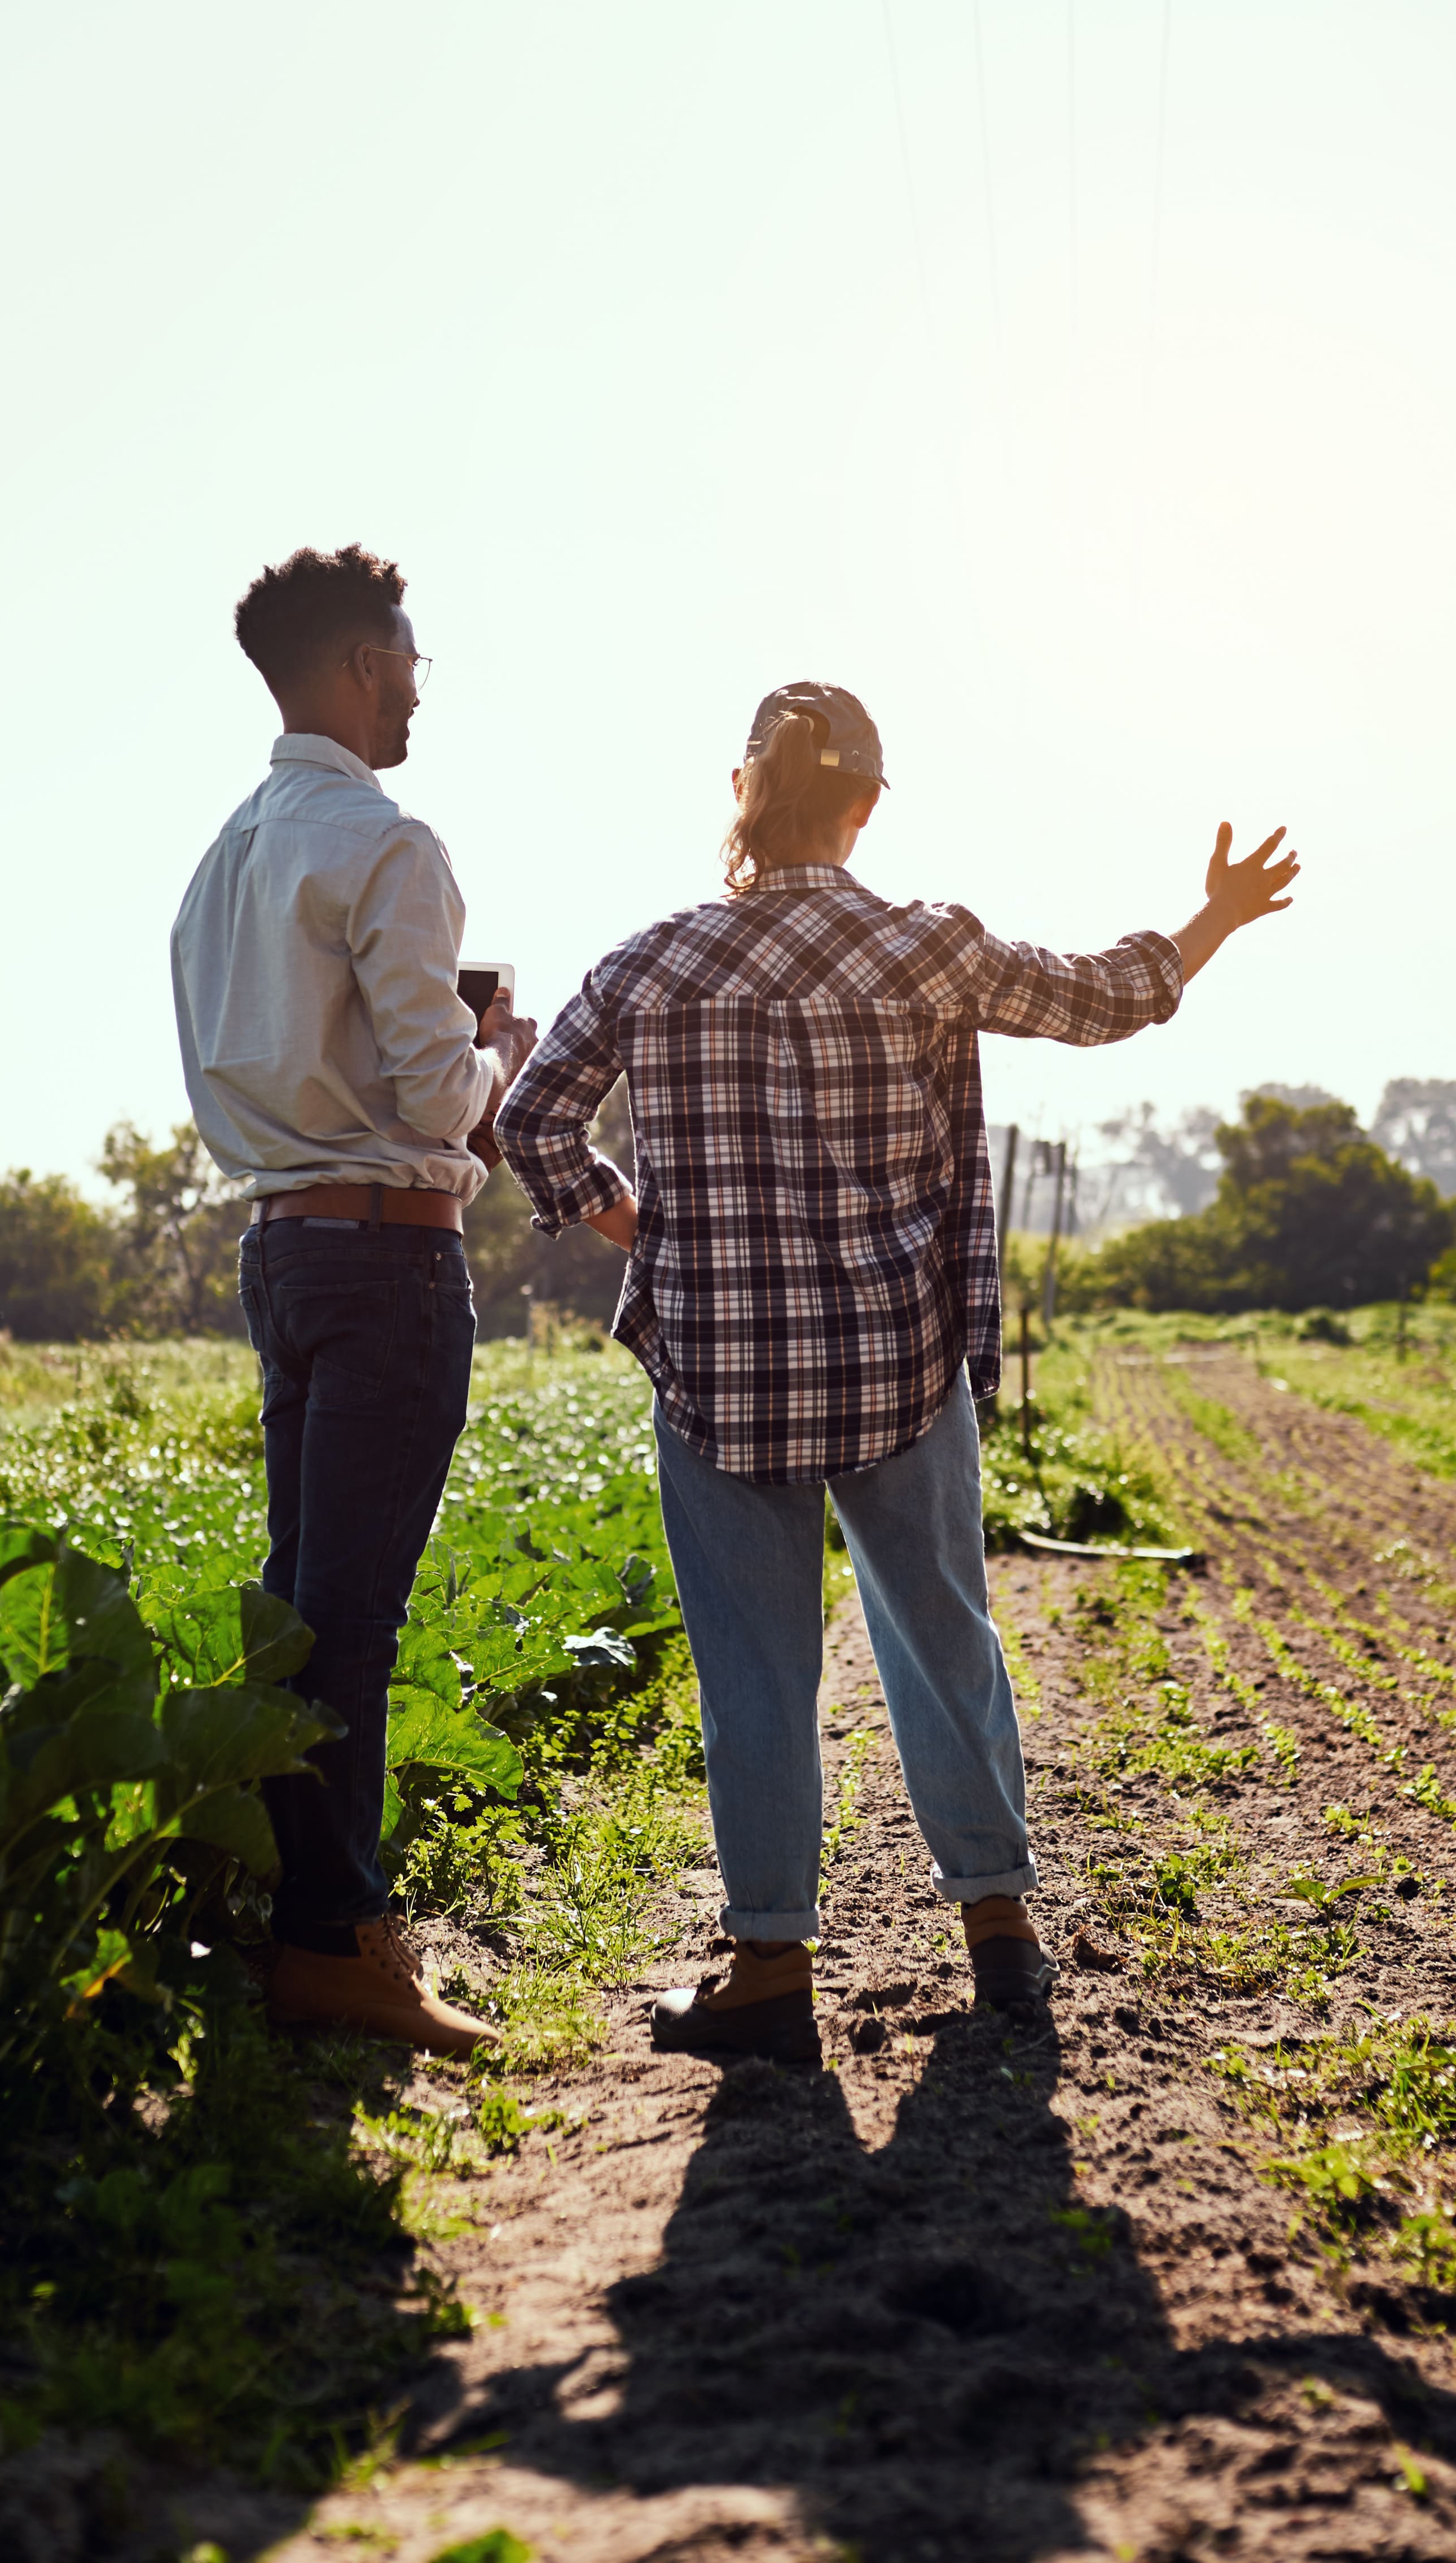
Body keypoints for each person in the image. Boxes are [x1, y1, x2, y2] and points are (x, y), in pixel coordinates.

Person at [494, 683, 1296, 2063]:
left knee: (754, 1668)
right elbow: (1109, 997)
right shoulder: (927, 945)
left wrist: (637, 1220)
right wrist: (1215, 913)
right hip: (901, 1363)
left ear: (741, 793)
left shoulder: (652, 962)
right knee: (944, 1640)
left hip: (720, 1369)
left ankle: (767, 1964)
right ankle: (1000, 1931)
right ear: (868, 803)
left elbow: (532, 1117)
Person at [170, 544, 530, 2055]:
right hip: (386, 1254)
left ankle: (300, 1921)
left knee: (302, 1602)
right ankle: (338, 1942)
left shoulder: (224, 861)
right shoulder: (387, 842)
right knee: (353, 1620)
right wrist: (497, 1045)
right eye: (409, 665)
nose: (414, 696)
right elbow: (442, 1098)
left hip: (278, 1248)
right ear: (361, 665)